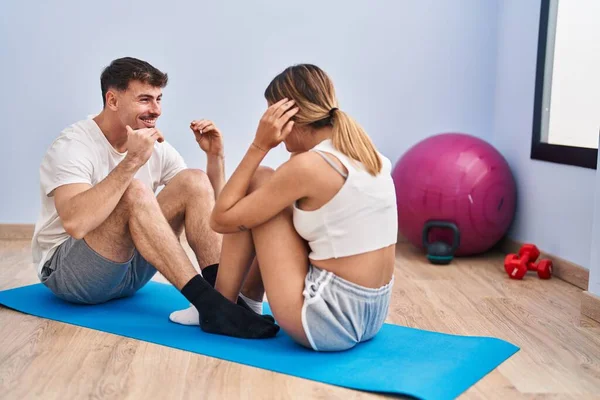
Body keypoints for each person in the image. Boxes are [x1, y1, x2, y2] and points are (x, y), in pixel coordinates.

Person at [31, 57, 279, 339]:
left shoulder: (153, 144)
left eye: (159, 99)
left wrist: (215, 157)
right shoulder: (73, 145)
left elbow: (211, 213)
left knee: (194, 180)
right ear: (112, 100)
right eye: (145, 100)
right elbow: (75, 223)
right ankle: (211, 306)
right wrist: (132, 161)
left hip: (129, 275)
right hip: (72, 276)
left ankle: (224, 301)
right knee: (134, 191)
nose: (156, 110)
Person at [171, 63, 398, 351]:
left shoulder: (308, 167)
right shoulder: (366, 154)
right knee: (265, 183)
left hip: (327, 322)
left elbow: (220, 220)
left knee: (259, 179)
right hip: (372, 315)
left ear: (290, 116)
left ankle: (220, 308)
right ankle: (246, 305)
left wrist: (259, 144)